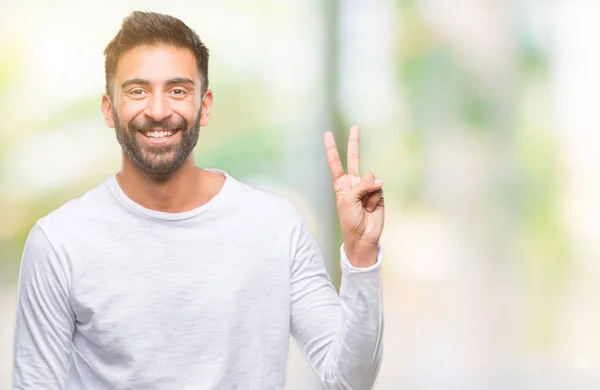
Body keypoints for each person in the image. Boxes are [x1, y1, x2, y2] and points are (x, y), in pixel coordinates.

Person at [12, 11, 385, 390]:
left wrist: (361, 254)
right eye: (137, 90)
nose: (158, 111)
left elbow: (351, 380)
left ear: (204, 106)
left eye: (177, 90)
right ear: (110, 109)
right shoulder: (59, 242)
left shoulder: (276, 226)